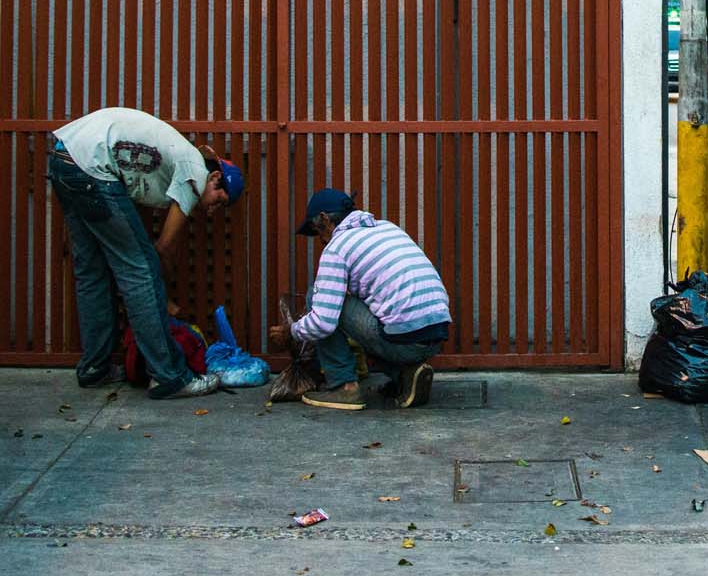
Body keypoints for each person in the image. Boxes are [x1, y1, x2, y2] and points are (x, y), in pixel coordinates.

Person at [48, 107, 244, 398]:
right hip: (92, 165)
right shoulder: (194, 169)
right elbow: (164, 246)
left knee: (93, 271)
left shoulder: (181, 157)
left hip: (64, 157)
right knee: (141, 269)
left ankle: (95, 369)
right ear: (215, 177)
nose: (213, 210)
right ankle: (170, 376)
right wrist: (165, 301)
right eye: (220, 199)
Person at [271, 189, 451, 411]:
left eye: (318, 232)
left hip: (404, 342)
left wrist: (291, 331)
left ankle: (344, 387)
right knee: (381, 316)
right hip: (437, 335)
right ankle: (406, 374)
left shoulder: (336, 248)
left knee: (316, 297)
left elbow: (323, 323)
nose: (321, 241)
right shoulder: (387, 227)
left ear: (326, 220)